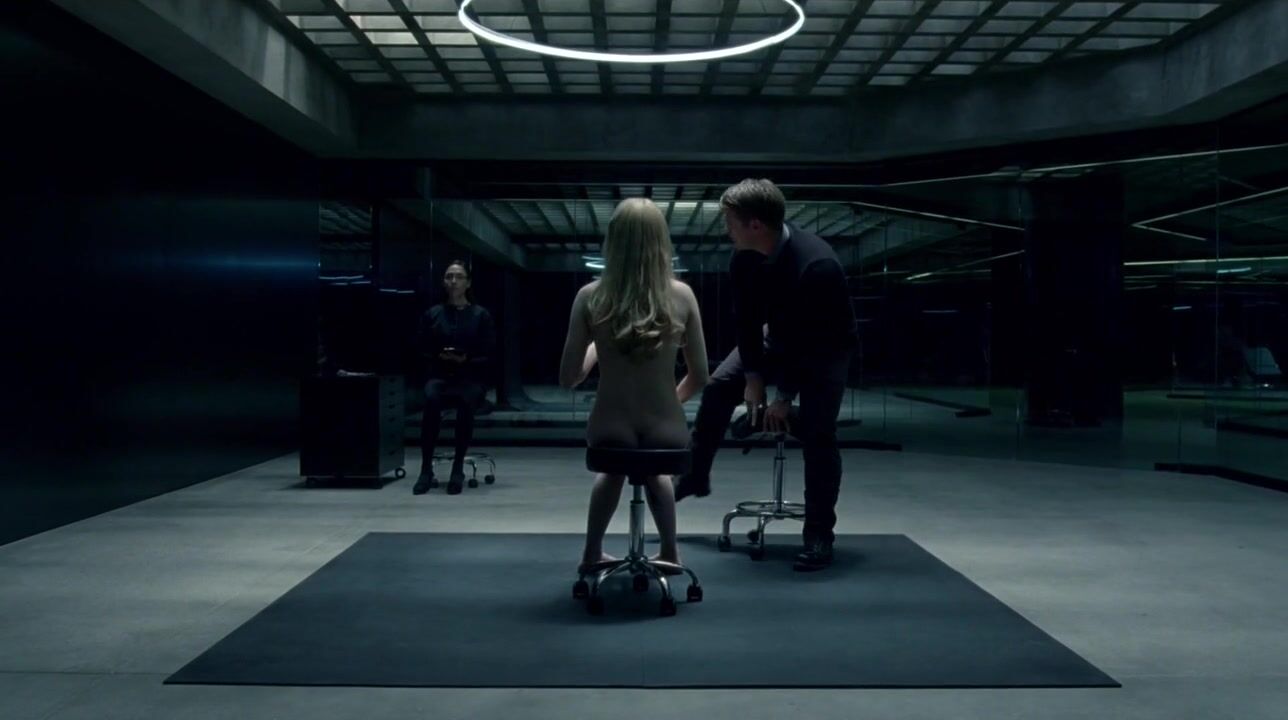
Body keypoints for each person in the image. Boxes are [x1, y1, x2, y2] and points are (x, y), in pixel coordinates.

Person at [673, 179, 857, 571]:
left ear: (755, 224)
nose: (727, 230)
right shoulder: (744, 257)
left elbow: (812, 340)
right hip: (777, 336)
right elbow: (746, 320)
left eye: (731, 222)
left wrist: (783, 396)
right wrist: (753, 378)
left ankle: (819, 534)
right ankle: (695, 475)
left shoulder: (816, 265)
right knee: (721, 385)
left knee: (820, 435)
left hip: (825, 349)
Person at [559, 198, 709, 572]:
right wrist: (670, 401)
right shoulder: (682, 295)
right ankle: (670, 553)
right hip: (666, 428)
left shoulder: (590, 296)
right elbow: (701, 375)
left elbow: (568, 377)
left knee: (610, 471)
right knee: (657, 472)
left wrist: (597, 346)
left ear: (613, 241)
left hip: (609, 426)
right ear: (661, 241)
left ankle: (592, 553)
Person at [413, 260, 496, 496]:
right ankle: (425, 469)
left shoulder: (480, 315)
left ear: (468, 283)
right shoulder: (433, 314)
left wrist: (466, 359)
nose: (453, 281)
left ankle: (458, 468)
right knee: (432, 399)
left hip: (470, 377)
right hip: (440, 375)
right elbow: (420, 348)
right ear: (444, 281)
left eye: (459, 277)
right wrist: (439, 356)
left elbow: (489, 352)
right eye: (449, 276)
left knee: (465, 401)